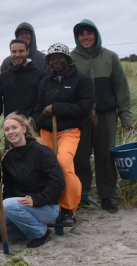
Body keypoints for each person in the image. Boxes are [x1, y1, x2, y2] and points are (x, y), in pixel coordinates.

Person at [71, 19, 133, 214]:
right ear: (77, 37)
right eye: (82, 34)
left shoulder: (110, 57)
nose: (86, 37)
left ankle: (107, 197)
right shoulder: (71, 58)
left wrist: (126, 118)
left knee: (105, 156)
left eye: (89, 33)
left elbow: (121, 89)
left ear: (96, 35)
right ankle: (83, 196)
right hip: (80, 116)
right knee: (80, 156)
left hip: (106, 115)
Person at [34, 43, 94, 223]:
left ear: (67, 59)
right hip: (47, 132)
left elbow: (84, 107)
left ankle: (68, 209)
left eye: (59, 57)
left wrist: (57, 108)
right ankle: (51, 205)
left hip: (69, 132)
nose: (56, 61)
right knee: (45, 168)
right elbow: (38, 109)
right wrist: (42, 121)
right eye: (52, 58)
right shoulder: (45, 82)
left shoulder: (81, 81)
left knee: (63, 164)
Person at [0, 114, 64, 248]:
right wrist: (12, 211)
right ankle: (30, 229)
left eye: (14, 128)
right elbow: (9, 187)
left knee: (8, 205)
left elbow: (58, 182)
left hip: (45, 206)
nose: (11, 132)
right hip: (19, 206)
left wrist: (37, 199)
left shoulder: (42, 151)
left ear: (24, 129)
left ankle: (41, 232)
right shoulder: (8, 158)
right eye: (7, 129)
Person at [0, 39, 49, 129]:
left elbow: (45, 101)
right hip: (12, 130)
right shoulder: (3, 77)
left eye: (21, 51)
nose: (17, 55)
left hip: (35, 129)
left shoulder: (41, 75)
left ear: (28, 51)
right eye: (14, 51)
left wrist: (36, 122)